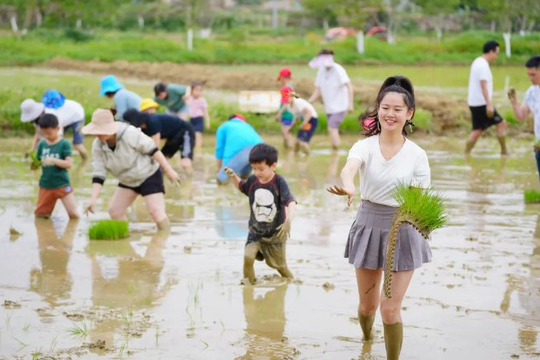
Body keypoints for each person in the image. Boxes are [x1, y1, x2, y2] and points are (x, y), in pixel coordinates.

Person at [328, 76, 431, 360]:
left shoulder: (417, 156)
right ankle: (366, 340)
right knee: (367, 307)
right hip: (369, 223)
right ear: (378, 108)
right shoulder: (365, 146)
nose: (390, 114)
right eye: (386, 107)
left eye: (398, 109)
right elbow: (351, 168)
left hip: (403, 228)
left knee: (389, 308)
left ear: (409, 113)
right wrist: (349, 185)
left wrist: (420, 221)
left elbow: (419, 200)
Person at [82, 109, 181, 230]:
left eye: (101, 130)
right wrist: (92, 200)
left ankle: (165, 239)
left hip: (148, 175)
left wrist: (168, 170)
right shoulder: (98, 145)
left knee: (156, 212)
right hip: (127, 180)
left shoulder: (129, 133)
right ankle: (125, 241)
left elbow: (153, 149)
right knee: (115, 212)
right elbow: (99, 173)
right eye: (96, 131)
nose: (98, 134)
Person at [225, 143, 296, 285]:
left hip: (275, 234)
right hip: (255, 232)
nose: (257, 172)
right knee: (248, 257)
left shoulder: (279, 182)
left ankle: (291, 281)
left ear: (273, 166)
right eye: (254, 168)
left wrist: (288, 220)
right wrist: (233, 176)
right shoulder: (253, 180)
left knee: (280, 266)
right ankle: (248, 284)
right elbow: (241, 186)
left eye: (261, 169)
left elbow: (291, 202)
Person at [465, 40, 508, 155]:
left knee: (477, 130)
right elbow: (483, 85)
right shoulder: (483, 65)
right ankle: (504, 151)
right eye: (496, 53)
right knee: (501, 123)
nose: (496, 56)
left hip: (475, 102)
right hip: (481, 103)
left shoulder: (477, 62)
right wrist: (489, 104)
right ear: (491, 51)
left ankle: (466, 153)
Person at [34, 114, 79, 219]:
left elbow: (69, 164)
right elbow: (37, 162)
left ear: (58, 129)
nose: (46, 136)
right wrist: (34, 165)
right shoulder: (42, 145)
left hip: (62, 184)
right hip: (46, 185)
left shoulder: (64, 144)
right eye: (44, 133)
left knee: (73, 214)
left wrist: (54, 160)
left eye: (49, 133)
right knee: (40, 215)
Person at [124, 109, 195, 174]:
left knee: (185, 162)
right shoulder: (143, 129)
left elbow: (155, 146)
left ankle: (191, 180)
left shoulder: (152, 121)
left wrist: (150, 160)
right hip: (173, 136)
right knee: (161, 163)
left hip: (185, 130)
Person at [308, 49, 354, 150]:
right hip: (329, 107)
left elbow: (349, 86)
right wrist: (309, 102)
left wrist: (350, 104)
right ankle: (336, 148)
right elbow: (318, 90)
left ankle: (336, 151)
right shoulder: (321, 71)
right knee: (333, 129)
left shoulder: (338, 69)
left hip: (341, 105)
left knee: (331, 128)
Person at [21, 93, 87, 160]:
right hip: (65, 117)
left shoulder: (52, 115)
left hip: (76, 114)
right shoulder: (37, 119)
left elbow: (58, 137)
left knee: (77, 144)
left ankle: (85, 159)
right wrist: (32, 150)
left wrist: (54, 158)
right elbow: (38, 134)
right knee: (51, 138)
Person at [508, 55, 540, 181]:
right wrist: (514, 102)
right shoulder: (532, 92)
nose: (530, 78)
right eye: (528, 75)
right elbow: (521, 116)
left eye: (533, 74)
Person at [215, 114, 263, 184]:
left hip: (246, 152)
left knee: (221, 178)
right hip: (262, 149)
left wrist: (219, 169)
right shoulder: (247, 125)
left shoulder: (223, 126)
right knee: (244, 177)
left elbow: (220, 149)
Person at [285, 90, 318, 155]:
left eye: (287, 98)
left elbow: (309, 113)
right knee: (297, 142)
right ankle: (295, 156)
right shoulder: (290, 106)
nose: (286, 100)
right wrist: (291, 127)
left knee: (302, 141)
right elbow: (296, 117)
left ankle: (309, 155)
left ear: (291, 97)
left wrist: (303, 124)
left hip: (311, 119)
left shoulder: (298, 102)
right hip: (305, 120)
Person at [274, 68, 296, 149]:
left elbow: (286, 103)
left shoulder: (285, 88)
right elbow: (294, 99)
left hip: (287, 114)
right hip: (292, 113)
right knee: (286, 134)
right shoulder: (291, 86)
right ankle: (288, 151)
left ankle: (291, 153)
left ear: (283, 78)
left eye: (280, 79)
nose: (280, 81)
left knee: (286, 134)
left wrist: (279, 114)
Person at [186, 81, 211, 149]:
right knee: (191, 135)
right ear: (192, 91)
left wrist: (208, 121)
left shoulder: (202, 100)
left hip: (199, 119)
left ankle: (198, 149)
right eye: (196, 90)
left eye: (200, 90)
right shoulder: (189, 99)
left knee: (198, 135)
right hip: (191, 119)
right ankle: (192, 148)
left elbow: (205, 111)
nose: (198, 92)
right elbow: (186, 104)